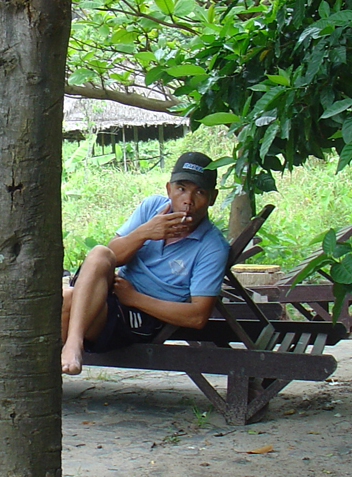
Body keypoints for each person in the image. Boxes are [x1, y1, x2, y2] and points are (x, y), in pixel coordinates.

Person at [60, 151, 230, 375]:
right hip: (111, 293)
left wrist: (134, 298)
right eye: (181, 189)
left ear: (212, 198)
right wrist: (145, 233)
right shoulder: (152, 207)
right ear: (169, 189)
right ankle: (72, 345)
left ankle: (67, 350)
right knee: (99, 254)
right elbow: (113, 256)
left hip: (142, 316)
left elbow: (197, 316)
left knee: (65, 301)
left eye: (199, 192)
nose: (188, 200)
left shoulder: (212, 247)